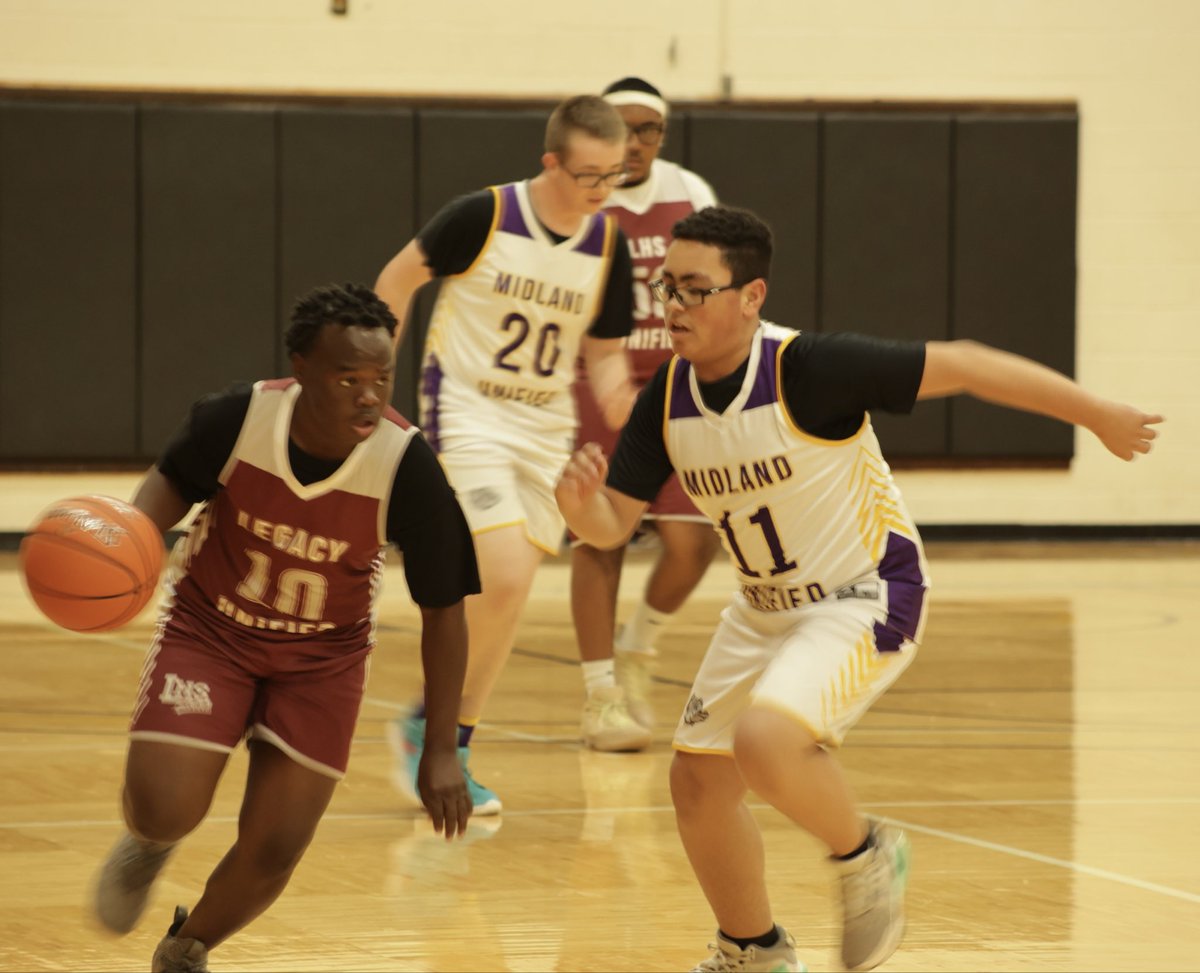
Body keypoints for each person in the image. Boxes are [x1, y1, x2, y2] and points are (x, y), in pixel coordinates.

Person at [555, 206, 1163, 972]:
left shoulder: (809, 368)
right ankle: (754, 948)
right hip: (761, 609)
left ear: (751, 296)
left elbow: (968, 363)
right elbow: (614, 521)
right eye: (666, 287)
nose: (673, 305)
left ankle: (866, 852)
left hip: (865, 592)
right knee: (698, 782)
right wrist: (582, 510)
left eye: (695, 289)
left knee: (767, 741)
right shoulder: (666, 397)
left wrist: (1096, 413)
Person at [90, 283, 479, 973]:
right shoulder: (236, 420)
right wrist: (119, 558)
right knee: (164, 807)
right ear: (301, 367)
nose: (369, 395)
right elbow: (157, 500)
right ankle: (148, 845)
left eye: (382, 378)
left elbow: (445, 611)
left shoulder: (407, 465)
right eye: (348, 378)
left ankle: (187, 949)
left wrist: (442, 748)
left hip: (321, 662)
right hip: (211, 633)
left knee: (276, 847)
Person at [375, 94, 638, 814]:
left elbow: (605, 355)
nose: (602, 188)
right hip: (468, 410)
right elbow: (396, 280)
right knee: (503, 570)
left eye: (614, 174)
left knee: (511, 593)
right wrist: (374, 378)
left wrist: (624, 399)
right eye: (588, 174)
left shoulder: (608, 245)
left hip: (546, 429)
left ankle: (444, 739)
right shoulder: (484, 215)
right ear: (551, 162)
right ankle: (431, 735)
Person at [571, 77, 722, 753]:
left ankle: (638, 647)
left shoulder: (690, 193)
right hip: (596, 383)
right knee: (601, 539)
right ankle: (601, 694)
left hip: (677, 383)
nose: (633, 142)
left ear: (663, 135)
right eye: (621, 128)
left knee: (695, 541)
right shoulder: (581, 195)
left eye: (647, 130)